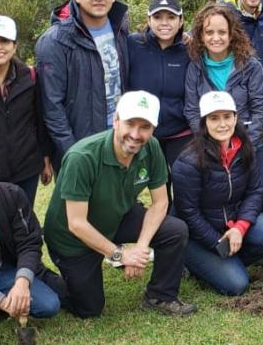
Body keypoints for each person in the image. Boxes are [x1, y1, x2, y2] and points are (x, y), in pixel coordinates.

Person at [43, 92, 196, 318]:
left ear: (154, 128)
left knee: (175, 230)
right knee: (90, 308)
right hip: (72, 239)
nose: (135, 134)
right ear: (115, 120)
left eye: (145, 126)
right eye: (130, 124)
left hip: (116, 216)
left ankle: (160, 296)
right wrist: (119, 255)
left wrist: (141, 249)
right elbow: (76, 224)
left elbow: (160, 203)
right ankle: (42, 276)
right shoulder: (82, 157)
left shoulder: (151, 147)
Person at [171, 92, 263, 295]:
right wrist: (217, 243)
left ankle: (225, 263)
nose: (222, 124)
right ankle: (195, 262)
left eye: (227, 116)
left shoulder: (245, 148)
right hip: (196, 235)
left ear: (235, 118)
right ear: (204, 122)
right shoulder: (188, 162)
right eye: (214, 118)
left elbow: (254, 191)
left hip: (231, 221)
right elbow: (189, 214)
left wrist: (239, 228)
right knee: (237, 284)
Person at [183, 3, 263, 220]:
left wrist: (246, 146)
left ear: (232, 34)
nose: (216, 38)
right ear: (200, 35)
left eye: (222, 32)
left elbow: (259, 108)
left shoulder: (250, 65)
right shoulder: (195, 67)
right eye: (209, 32)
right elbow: (191, 110)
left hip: (247, 143)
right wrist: (209, 144)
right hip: (210, 144)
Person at [35, 0, 129, 170]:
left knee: (119, 201)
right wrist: (72, 152)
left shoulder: (120, 29)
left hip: (119, 138)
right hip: (80, 145)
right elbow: (52, 107)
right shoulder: (55, 41)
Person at [0, 138, 63, 339]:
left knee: (49, 305)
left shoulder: (11, 196)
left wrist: (22, 283)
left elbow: (29, 243)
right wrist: (0, 301)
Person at [0, 15, 52, 208]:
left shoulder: (30, 76)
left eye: (5, 41)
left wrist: (45, 158)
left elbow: (39, 120)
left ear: (15, 46)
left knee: (22, 223)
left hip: (26, 168)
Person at [127, 0, 192, 182]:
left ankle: (177, 213)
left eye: (171, 17)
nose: (164, 23)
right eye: (157, 17)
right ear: (148, 20)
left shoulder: (190, 49)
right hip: (142, 131)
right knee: (152, 183)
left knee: (184, 181)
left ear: (181, 21)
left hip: (180, 132)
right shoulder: (132, 44)